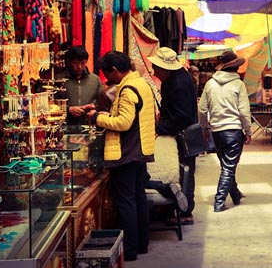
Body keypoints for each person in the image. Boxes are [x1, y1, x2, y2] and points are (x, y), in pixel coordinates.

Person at [87, 51, 155, 261]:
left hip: (126, 152)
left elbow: (124, 123)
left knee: (126, 202)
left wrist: (97, 117)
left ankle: (131, 250)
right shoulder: (142, 83)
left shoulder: (127, 89)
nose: (108, 80)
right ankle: (141, 244)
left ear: (115, 70)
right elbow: (132, 118)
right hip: (140, 150)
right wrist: (108, 115)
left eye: (108, 74)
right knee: (138, 198)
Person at [147, 47, 199, 223]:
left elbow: (181, 117)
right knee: (182, 172)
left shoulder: (178, 84)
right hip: (182, 134)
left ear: (165, 68)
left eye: (156, 68)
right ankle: (174, 209)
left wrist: (160, 128)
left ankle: (185, 213)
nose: (154, 71)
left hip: (185, 136)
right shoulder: (176, 79)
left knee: (184, 173)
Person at [198, 51, 252, 212]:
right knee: (228, 167)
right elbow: (244, 111)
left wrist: (204, 128)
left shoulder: (210, 84)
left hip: (216, 131)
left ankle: (235, 194)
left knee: (227, 165)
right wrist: (248, 131)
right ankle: (219, 201)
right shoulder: (238, 85)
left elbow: (202, 110)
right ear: (236, 67)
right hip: (233, 130)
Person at [59, 46, 103, 125]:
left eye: (83, 63)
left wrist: (93, 107)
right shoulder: (59, 80)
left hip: (90, 124)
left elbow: (103, 103)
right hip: (66, 125)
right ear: (69, 62)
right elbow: (52, 104)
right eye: (75, 63)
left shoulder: (95, 79)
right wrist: (69, 109)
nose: (79, 67)